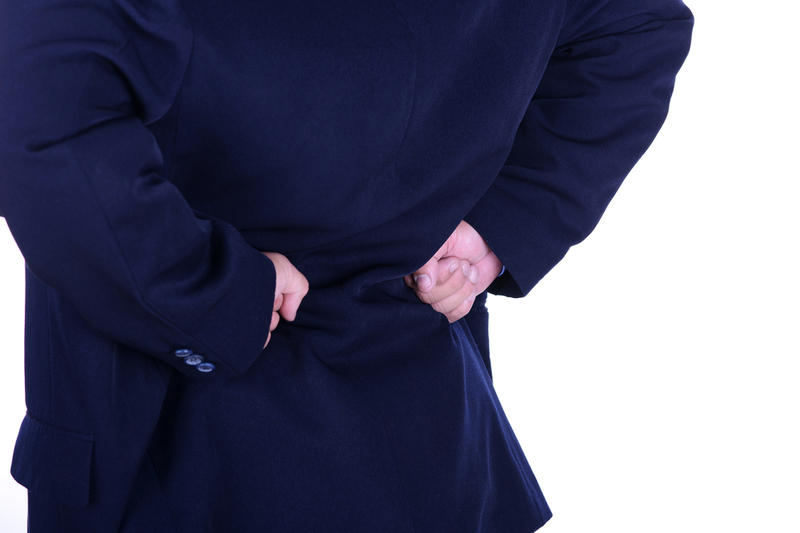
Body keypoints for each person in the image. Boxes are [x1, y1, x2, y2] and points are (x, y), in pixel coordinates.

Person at [0, 0, 694, 531]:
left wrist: (210, 291)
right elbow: (636, 23)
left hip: (174, 457)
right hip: (434, 453)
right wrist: (502, 223)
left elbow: (37, 122)